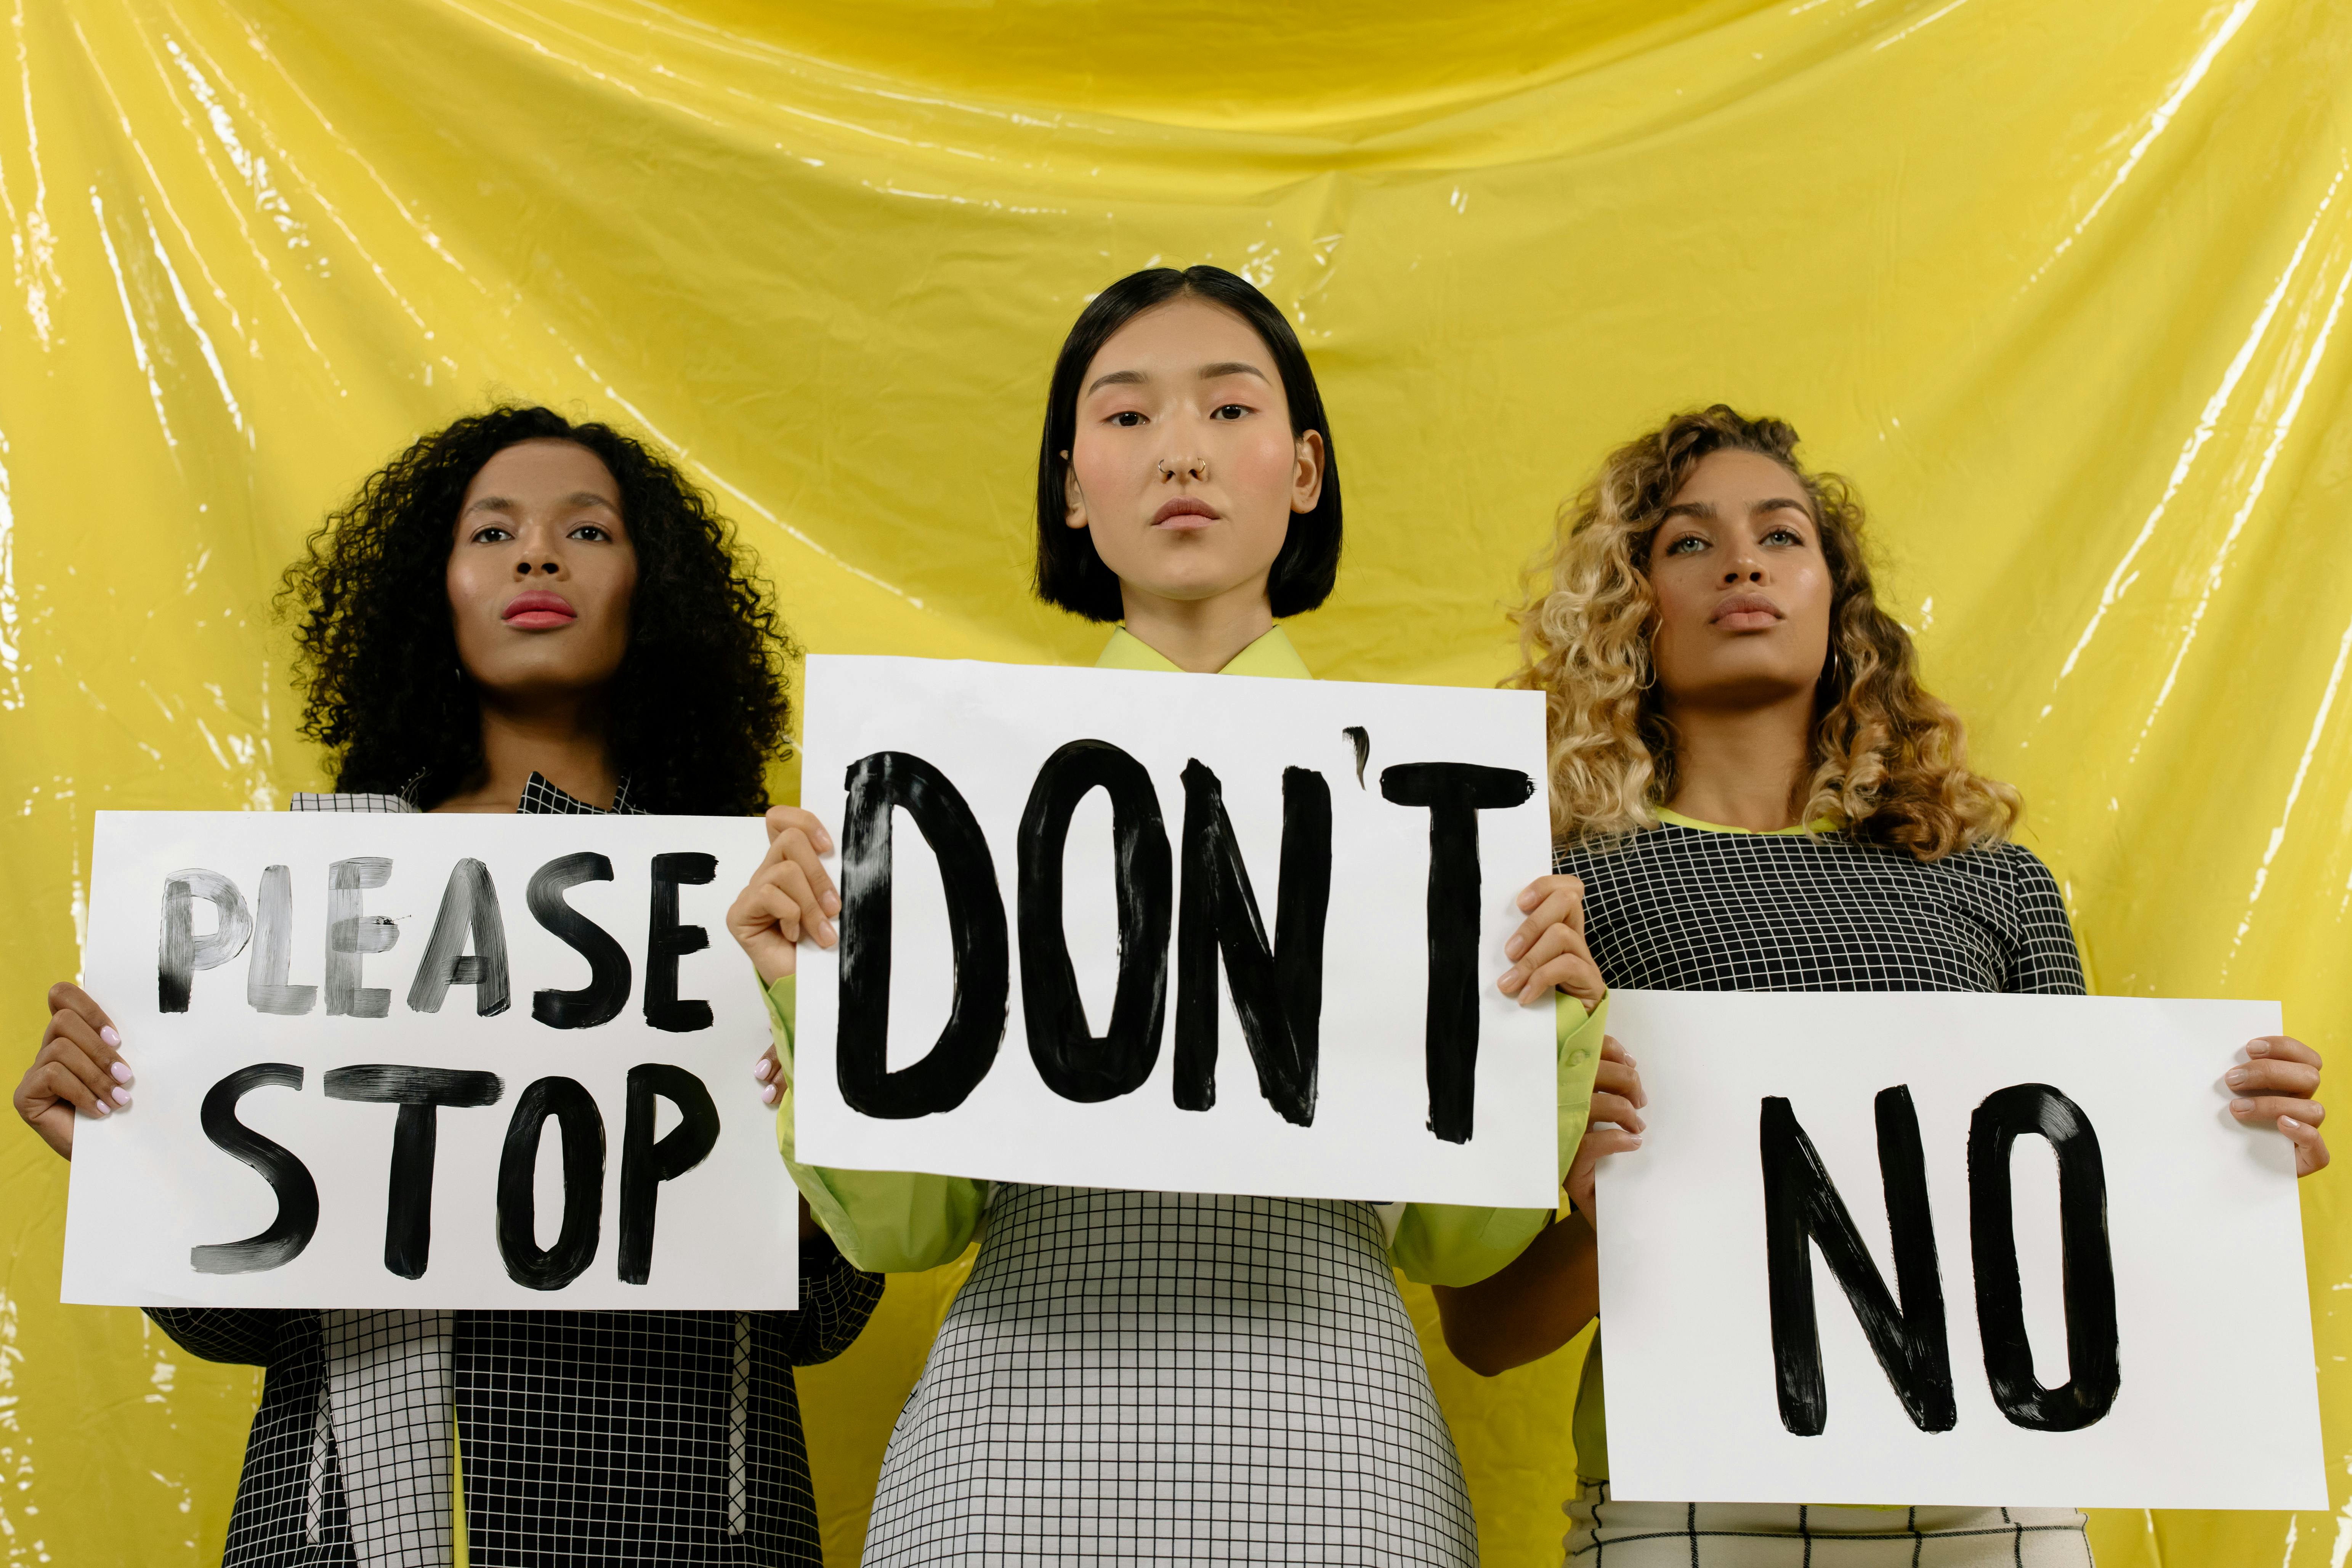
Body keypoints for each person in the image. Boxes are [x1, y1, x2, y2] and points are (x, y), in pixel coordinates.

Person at [725, 264, 1614, 1565]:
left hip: (1338, 1448)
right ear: (1072, 488)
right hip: (1006, 1457)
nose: (1181, 451)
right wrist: (819, 982)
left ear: (1302, 469)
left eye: (1229, 409)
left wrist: (1549, 1022)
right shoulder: (954, 788)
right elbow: (908, 1225)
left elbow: (1455, 1244)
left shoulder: (1437, 807)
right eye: (1128, 417)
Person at [1431, 405, 2330, 1565]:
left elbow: (2082, 1239)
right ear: (1628, 604)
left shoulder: (1992, 884)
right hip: (1694, 1497)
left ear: (1836, 599)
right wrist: (1627, 1222)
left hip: (1992, 1498)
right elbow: (1487, 1329)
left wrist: (2225, 1158)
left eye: (1781, 535)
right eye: (1689, 542)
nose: (1743, 562)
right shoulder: (1550, 896)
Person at [14, 406, 883, 1568]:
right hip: (349, 1524)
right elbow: (235, 1323)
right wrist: (142, 1147)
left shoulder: (765, 901)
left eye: (587, 529)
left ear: (653, 587)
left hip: (683, 1515)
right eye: (493, 532)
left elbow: (828, 1316)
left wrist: (807, 1138)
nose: (537, 555)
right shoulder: (300, 904)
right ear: (436, 590)